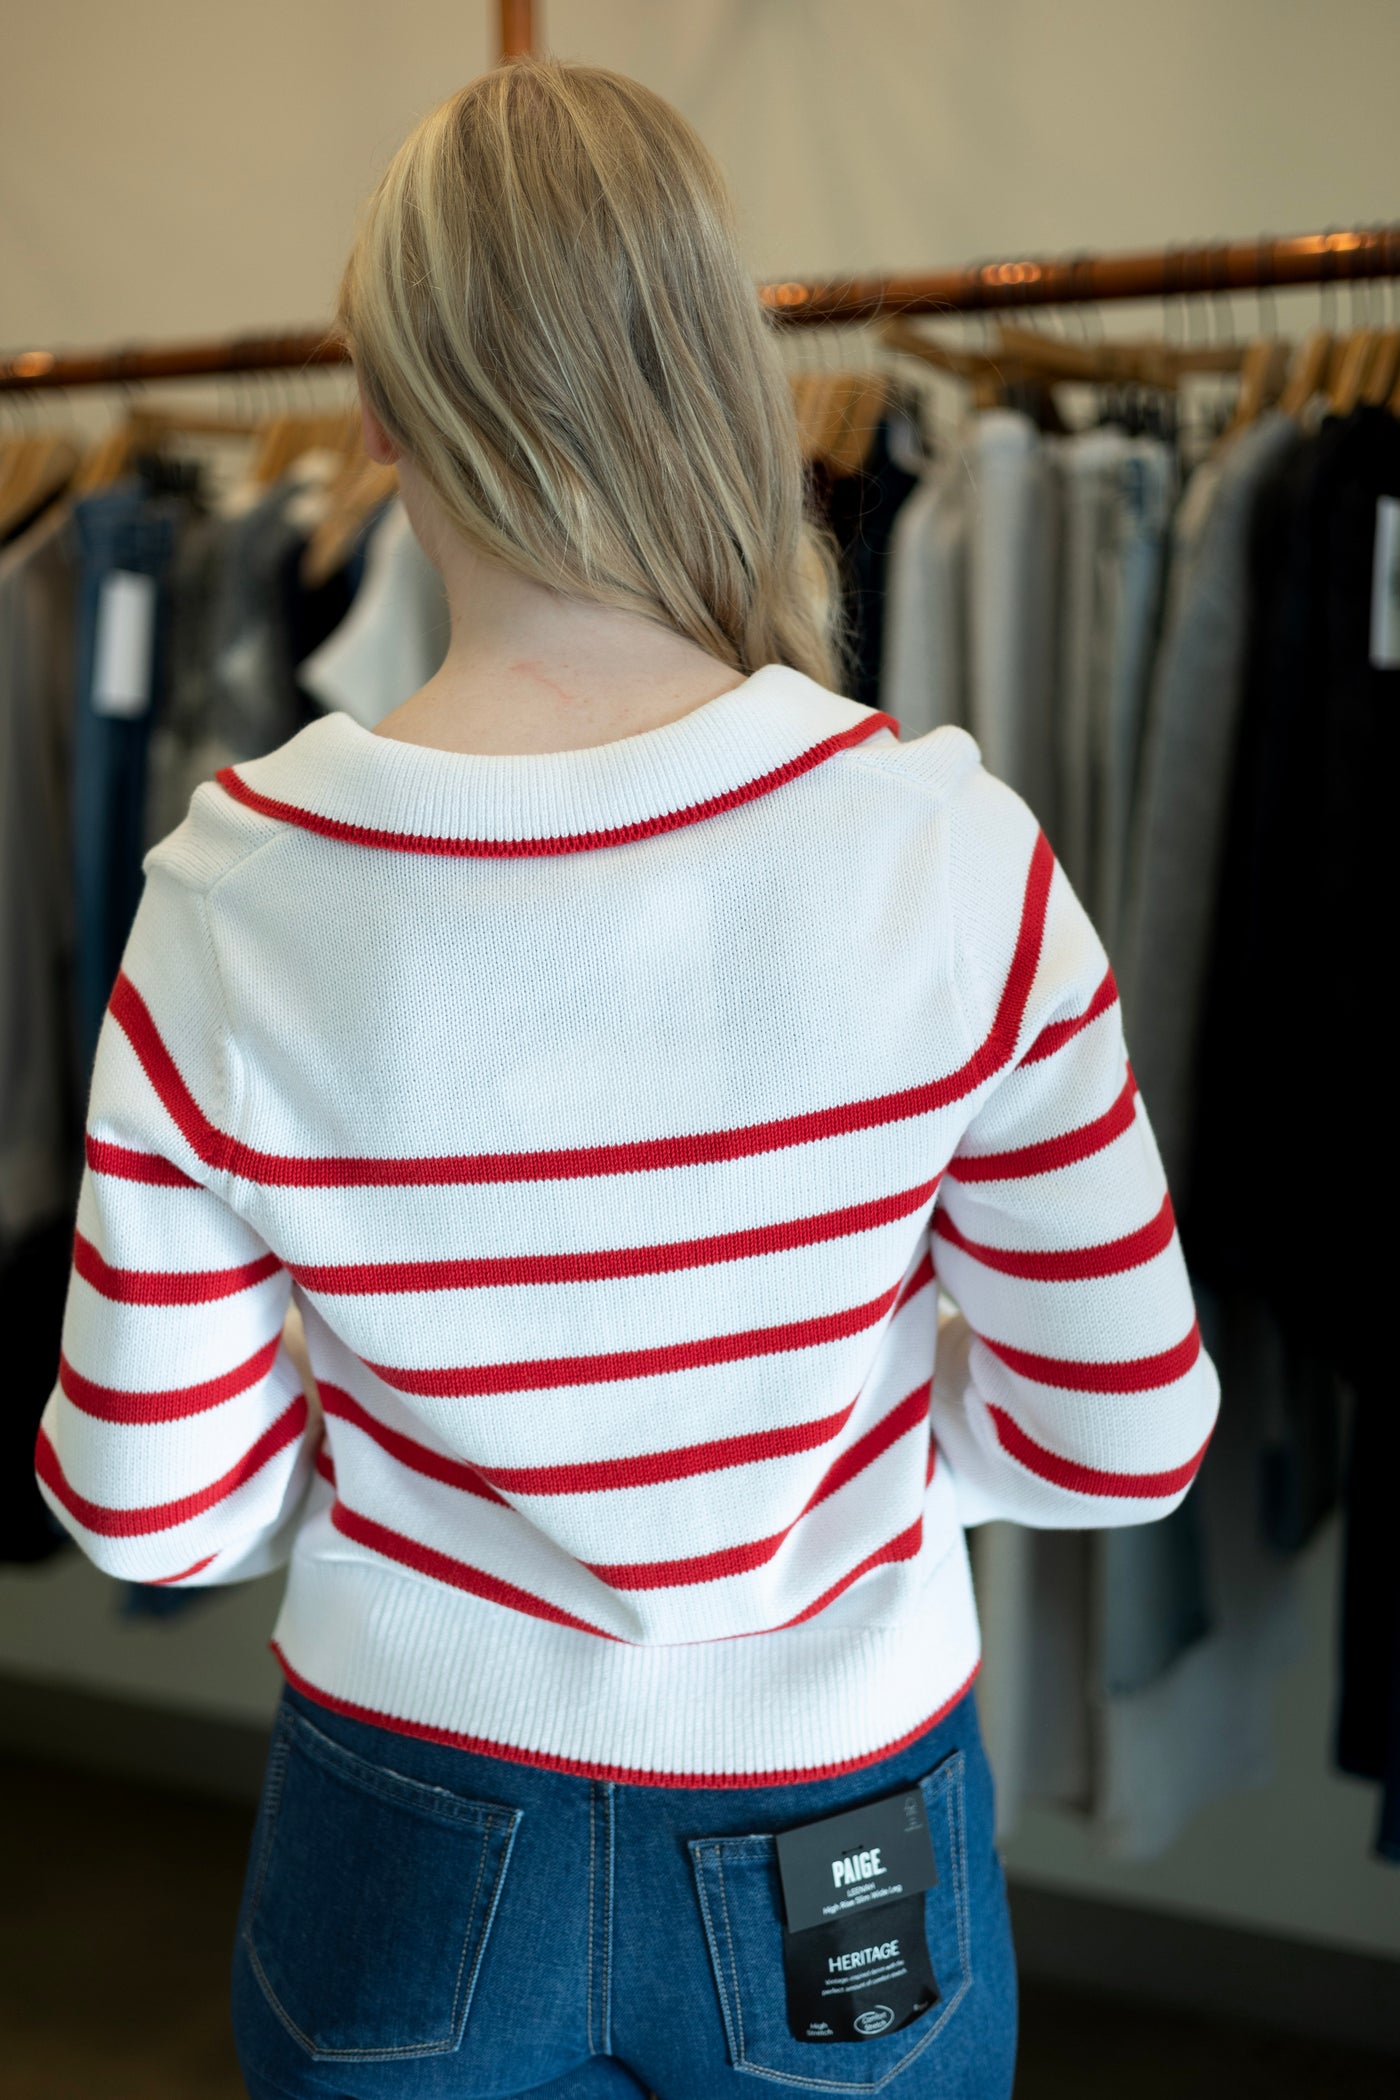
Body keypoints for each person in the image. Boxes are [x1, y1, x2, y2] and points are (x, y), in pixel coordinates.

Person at [35, 58, 1218, 2100]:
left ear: (381, 412)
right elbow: (1122, 1433)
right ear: (719, 384)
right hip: (837, 1810)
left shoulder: (231, 890)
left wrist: (423, 1487)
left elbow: (145, 1509)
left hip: (403, 1813)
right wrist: (851, 1458)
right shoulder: (945, 848)